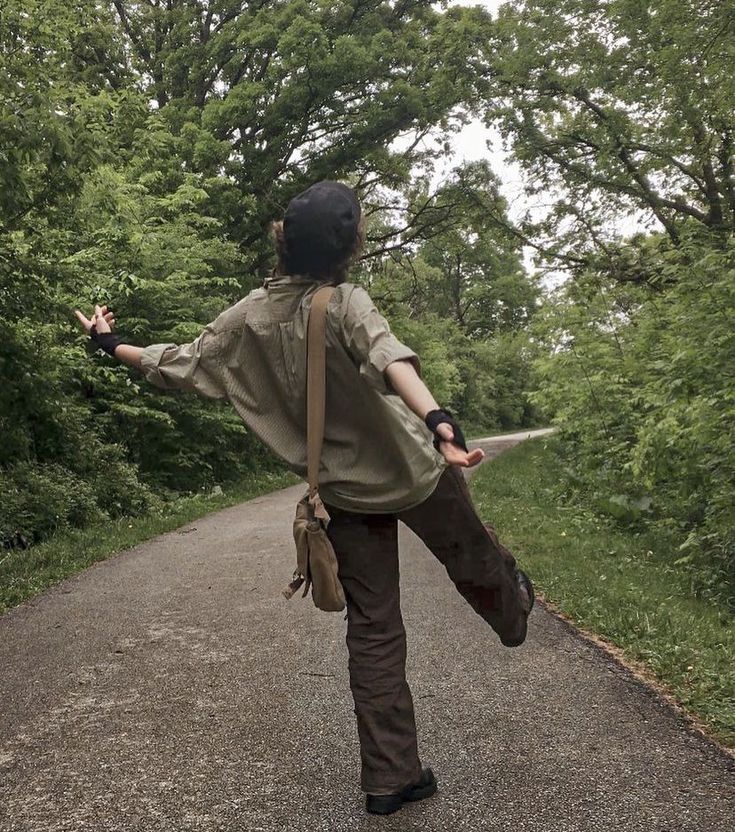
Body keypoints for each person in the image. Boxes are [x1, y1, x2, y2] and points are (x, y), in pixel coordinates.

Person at [74, 180, 534, 816]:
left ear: (283, 241)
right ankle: (512, 615)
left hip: (341, 493)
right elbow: (391, 357)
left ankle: (390, 778)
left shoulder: (248, 319)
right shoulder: (344, 302)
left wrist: (106, 344)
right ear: (351, 247)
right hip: (416, 469)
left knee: (373, 631)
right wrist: (439, 423)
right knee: (479, 564)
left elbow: (177, 364)